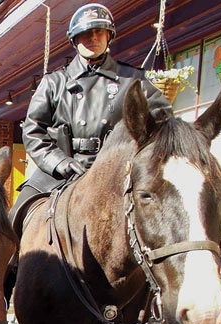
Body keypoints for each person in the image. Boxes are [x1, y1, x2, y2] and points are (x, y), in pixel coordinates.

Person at [15, 3, 173, 207]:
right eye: (85, 33)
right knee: (18, 211)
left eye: (99, 32)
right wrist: (59, 162)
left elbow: (164, 121)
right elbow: (33, 131)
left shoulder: (133, 80)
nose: (93, 38)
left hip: (119, 172)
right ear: (75, 40)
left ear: (109, 36)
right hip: (60, 173)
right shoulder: (54, 83)